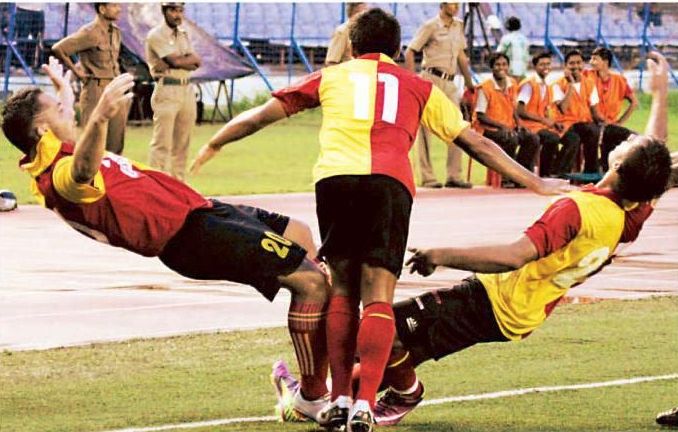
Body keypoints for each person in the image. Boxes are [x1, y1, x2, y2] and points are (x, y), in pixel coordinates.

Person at [189, 9, 569, 432]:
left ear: (352, 47)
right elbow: (475, 142)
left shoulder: (331, 77)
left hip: (336, 182)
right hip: (389, 184)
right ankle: (365, 406)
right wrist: (534, 181)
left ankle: (338, 399)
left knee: (341, 290)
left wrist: (215, 142)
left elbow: (262, 114)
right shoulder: (419, 86)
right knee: (378, 296)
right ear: (397, 49)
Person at [272, 51, 673, 428]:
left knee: (379, 332)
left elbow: (515, 256)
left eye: (630, 144)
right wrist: (658, 97)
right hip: (520, 307)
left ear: (619, 164)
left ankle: (397, 393)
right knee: (390, 343)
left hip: (494, 301)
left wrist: (441, 254)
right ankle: (340, 396)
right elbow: (656, 161)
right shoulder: (628, 214)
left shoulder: (577, 209)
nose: (629, 139)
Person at [1, 57, 332, 417]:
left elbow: (73, 144)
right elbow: (82, 170)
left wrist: (64, 92)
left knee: (300, 234)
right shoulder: (59, 177)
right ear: (41, 130)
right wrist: (99, 117)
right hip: (191, 236)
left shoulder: (58, 151)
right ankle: (312, 397)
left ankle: (335, 366)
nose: (67, 110)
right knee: (312, 283)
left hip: (203, 210)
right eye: (58, 109)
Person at [404, 2, 475, 189]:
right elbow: (410, 51)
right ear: (442, 4)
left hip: (450, 82)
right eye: (452, 3)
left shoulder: (459, 25)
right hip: (431, 79)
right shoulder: (431, 26)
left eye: (458, 3)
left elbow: (461, 56)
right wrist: (411, 80)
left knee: (457, 127)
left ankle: (454, 175)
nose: (456, 6)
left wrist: (469, 83)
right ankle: (428, 177)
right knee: (425, 130)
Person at [51, 2, 128, 155]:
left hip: (114, 88)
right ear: (102, 9)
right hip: (96, 89)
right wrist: (77, 72)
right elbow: (59, 48)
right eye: (114, 6)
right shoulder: (89, 32)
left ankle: (111, 171)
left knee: (116, 142)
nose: (119, 9)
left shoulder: (116, 32)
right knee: (93, 141)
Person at [145, 2, 201, 181]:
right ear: (164, 11)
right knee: (162, 143)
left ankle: (179, 184)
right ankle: (156, 185)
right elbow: (175, 61)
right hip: (167, 89)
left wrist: (179, 60)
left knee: (182, 143)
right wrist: (181, 60)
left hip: (186, 89)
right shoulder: (156, 35)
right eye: (173, 10)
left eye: (180, 11)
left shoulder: (184, 34)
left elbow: (196, 62)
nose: (177, 15)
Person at [474, 52, 540, 187]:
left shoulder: (512, 84)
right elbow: (480, 116)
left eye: (504, 64)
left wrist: (519, 124)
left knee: (532, 138)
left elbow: (513, 107)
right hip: (487, 129)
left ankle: (522, 177)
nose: (501, 68)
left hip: (508, 126)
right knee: (511, 139)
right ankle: (507, 178)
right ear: (491, 67)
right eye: (497, 65)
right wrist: (501, 126)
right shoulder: (485, 87)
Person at [516, 51, 576, 178]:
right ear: (535, 66)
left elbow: (550, 110)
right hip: (528, 126)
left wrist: (554, 123)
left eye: (548, 64)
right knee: (552, 138)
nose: (546, 67)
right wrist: (543, 120)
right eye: (542, 64)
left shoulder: (547, 86)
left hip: (540, 126)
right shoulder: (529, 85)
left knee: (571, 138)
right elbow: (520, 111)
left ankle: (557, 172)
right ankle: (545, 173)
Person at [585, 47, 639, 172]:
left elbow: (634, 102)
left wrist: (620, 122)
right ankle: (604, 169)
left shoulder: (619, 80)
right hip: (591, 123)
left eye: (595, 59)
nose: (591, 62)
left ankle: (610, 169)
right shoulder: (587, 76)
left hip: (611, 125)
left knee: (632, 138)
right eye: (591, 59)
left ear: (605, 62)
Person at [552, 49, 601, 175]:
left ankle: (591, 171)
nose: (576, 66)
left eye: (579, 63)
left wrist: (605, 124)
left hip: (585, 125)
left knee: (597, 131)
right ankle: (561, 173)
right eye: (572, 63)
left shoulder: (589, 83)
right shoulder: (557, 84)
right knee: (575, 138)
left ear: (583, 64)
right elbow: (563, 108)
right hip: (565, 126)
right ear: (565, 66)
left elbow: (594, 112)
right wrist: (571, 85)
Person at [496, 16, 530, 82]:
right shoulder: (524, 39)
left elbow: (499, 53)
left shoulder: (507, 38)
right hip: (522, 70)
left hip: (510, 71)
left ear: (508, 26)